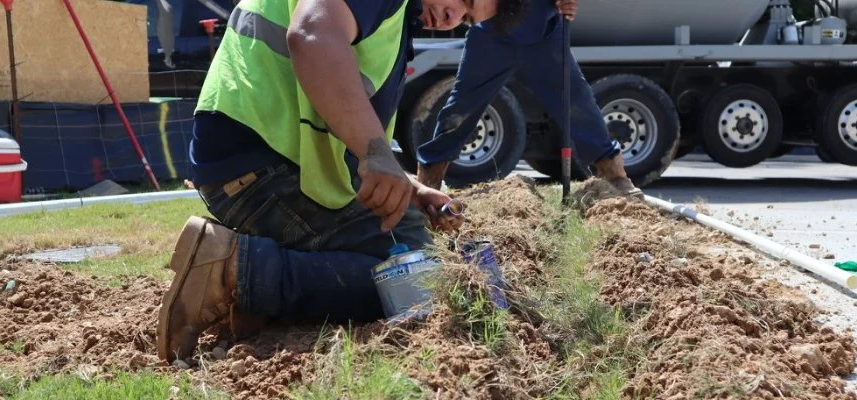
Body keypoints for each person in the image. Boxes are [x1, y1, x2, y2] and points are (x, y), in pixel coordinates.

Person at [156, 0, 529, 363]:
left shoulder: (392, 19)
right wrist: (375, 152)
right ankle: (237, 270)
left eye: (466, 18)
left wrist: (409, 188)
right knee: (418, 275)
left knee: (411, 251)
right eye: (463, 0)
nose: (453, 17)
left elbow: (344, 121)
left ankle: (261, 299)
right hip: (260, 165)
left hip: (257, 160)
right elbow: (312, 33)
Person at [414, 0, 643, 198]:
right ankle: (428, 180)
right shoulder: (472, 18)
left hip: (543, 37)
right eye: (468, 16)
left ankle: (614, 175)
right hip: (490, 41)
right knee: (459, 110)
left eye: (469, 13)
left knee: (576, 102)